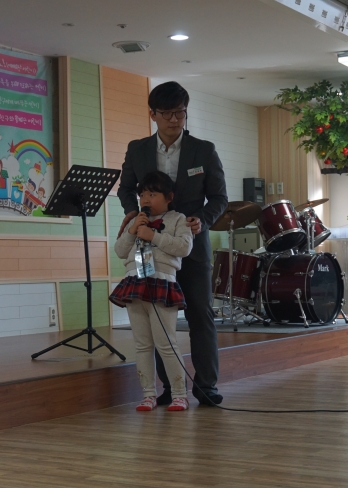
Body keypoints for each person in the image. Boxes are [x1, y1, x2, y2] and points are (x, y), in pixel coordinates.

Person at [117, 81, 228, 406]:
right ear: (153, 114)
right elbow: (125, 188)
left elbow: (219, 198)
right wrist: (133, 213)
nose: (174, 120)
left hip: (190, 242)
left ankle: (206, 386)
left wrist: (202, 219)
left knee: (200, 314)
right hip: (148, 247)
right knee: (154, 313)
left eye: (180, 113)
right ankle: (169, 389)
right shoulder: (137, 149)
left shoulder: (203, 150)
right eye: (167, 114)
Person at [110, 171, 193, 411]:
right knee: (142, 344)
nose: (146, 199)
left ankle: (179, 394)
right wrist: (133, 230)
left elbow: (184, 247)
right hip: (135, 282)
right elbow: (120, 250)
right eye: (143, 195)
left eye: (152, 194)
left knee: (166, 343)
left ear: (169, 197)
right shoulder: (137, 220)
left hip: (162, 283)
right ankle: (148, 394)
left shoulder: (178, 219)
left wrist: (153, 236)